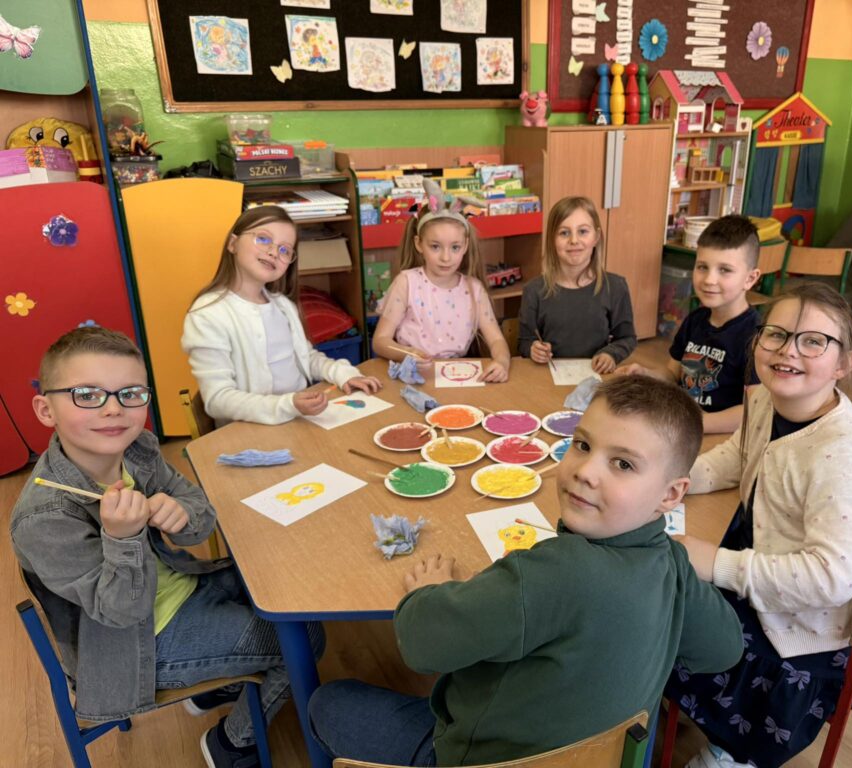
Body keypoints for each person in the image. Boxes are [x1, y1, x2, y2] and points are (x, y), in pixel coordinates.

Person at [306, 376, 744, 766]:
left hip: (482, 758)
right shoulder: (670, 561)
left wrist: (427, 591)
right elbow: (724, 650)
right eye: (583, 444)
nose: (585, 472)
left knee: (327, 702)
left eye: (623, 464)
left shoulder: (553, 572)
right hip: (606, 760)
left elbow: (420, 644)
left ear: (671, 494)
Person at [9, 327, 324, 768]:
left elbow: (200, 515)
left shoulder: (136, 447)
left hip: (180, 584)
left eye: (130, 394)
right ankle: (232, 744)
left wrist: (181, 514)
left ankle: (218, 684)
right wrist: (122, 538)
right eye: (87, 395)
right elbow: (121, 612)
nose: (114, 409)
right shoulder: (44, 517)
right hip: (130, 646)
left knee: (288, 588)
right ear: (46, 410)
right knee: (304, 639)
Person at [666, 284, 852, 768]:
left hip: (799, 626)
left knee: (666, 611)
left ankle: (731, 752)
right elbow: (737, 456)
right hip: (760, 559)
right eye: (777, 334)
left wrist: (717, 563)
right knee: (658, 596)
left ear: (844, 364)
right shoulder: (765, 399)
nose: (789, 350)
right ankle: (670, 693)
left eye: (814, 341)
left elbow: (832, 578)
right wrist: (671, 482)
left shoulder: (844, 455)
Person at [182, 205, 381, 427]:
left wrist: (343, 374)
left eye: (285, 250)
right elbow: (218, 400)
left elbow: (306, 357)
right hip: (249, 430)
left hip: (296, 418)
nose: (274, 252)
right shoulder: (207, 315)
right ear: (232, 243)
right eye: (263, 239)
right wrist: (288, 404)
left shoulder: (282, 305)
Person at [617, 215, 762, 433]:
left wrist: (698, 424)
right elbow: (673, 374)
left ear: (750, 279)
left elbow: (754, 411)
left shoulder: (757, 337)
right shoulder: (695, 320)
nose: (709, 280)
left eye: (725, 270)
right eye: (702, 267)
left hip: (721, 437)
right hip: (684, 426)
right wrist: (645, 373)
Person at [371, 180, 512, 383]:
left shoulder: (474, 288)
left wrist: (502, 362)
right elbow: (380, 341)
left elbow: (497, 339)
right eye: (435, 246)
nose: (446, 258)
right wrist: (408, 354)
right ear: (419, 244)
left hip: (459, 376)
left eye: (455, 247)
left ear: (465, 246)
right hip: (413, 374)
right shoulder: (406, 283)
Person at [517, 196, 637, 374]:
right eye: (564, 233)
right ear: (551, 239)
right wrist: (533, 349)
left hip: (597, 376)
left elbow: (627, 338)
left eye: (582, 231)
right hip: (548, 377)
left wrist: (610, 354)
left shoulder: (616, 287)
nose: (574, 240)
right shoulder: (533, 290)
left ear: (596, 237)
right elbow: (524, 342)